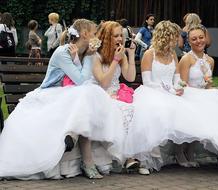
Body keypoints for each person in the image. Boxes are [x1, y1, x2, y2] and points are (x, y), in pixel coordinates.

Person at [124, 21, 218, 171]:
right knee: (166, 110)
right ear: (165, 37)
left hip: (171, 93)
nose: (177, 41)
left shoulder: (173, 54)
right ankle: (153, 156)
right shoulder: (150, 54)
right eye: (175, 37)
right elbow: (148, 82)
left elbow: (177, 79)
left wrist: (178, 88)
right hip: (153, 92)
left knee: (193, 109)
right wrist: (169, 90)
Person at [0, 19, 125, 180]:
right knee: (87, 93)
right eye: (94, 33)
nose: (96, 37)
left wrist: (83, 57)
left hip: (69, 95)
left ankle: (73, 137)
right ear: (85, 34)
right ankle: (86, 160)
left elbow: (81, 81)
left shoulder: (83, 52)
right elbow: (81, 80)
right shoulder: (62, 52)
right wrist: (87, 57)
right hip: (50, 95)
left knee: (87, 95)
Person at [92, 21, 150, 175]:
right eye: (115, 35)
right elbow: (103, 82)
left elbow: (130, 77)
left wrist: (130, 55)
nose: (119, 39)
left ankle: (134, 156)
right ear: (106, 37)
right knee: (121, 111)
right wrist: (115, 60)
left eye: (121, 35)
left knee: (137, 111)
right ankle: (127, 158)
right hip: (100, 95)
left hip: (118, 94)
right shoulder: (96, 56)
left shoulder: (121, 53)